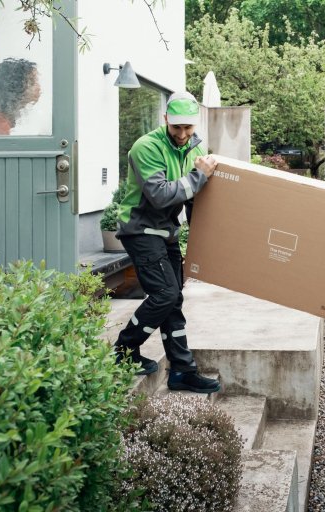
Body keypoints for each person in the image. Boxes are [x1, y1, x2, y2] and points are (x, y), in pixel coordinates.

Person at [113, 91, 220, 394]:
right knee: (164, 294)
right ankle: (123, 350)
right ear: (166, 121)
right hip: (141, 230)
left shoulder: (191, 149)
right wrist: (199, 176)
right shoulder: (146, 147)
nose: (183, 134)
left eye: (188, 128)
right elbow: (160, 195)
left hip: (167, 232)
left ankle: (182, 371)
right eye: (177, 128)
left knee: (174, 299)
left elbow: (191, 196)